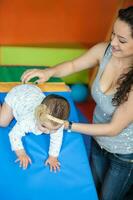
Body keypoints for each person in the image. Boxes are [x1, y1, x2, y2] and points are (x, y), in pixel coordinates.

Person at [21, 6, 133, 200]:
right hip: (98, 143)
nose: (113, 42)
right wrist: (49, 72)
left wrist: (68, 125)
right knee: (92, 191)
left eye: (122, 40)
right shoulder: (104, 51)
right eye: (113, 34)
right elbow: (73, 65)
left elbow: (114, 129)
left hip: (124, 155)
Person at [0, 84, 70, 171]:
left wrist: (53, 157)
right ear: (38, 115)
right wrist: (21, 153)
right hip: (17, 95)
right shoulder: (28, 121)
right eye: (44, 126)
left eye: (54, 129)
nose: (48, 132)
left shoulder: (57, 123)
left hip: (33, 91)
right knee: (2, 122)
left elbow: (57, 139)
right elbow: (14, 135)